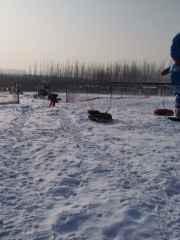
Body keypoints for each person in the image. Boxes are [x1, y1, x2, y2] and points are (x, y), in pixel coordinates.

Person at [161, 33, 180, 117]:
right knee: (178, 99)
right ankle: (177, 111)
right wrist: (163, 72)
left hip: (177, 87)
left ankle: (178, 110)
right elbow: (169, 69)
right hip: (177, 88)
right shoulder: (174, 65)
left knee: (178, 99)